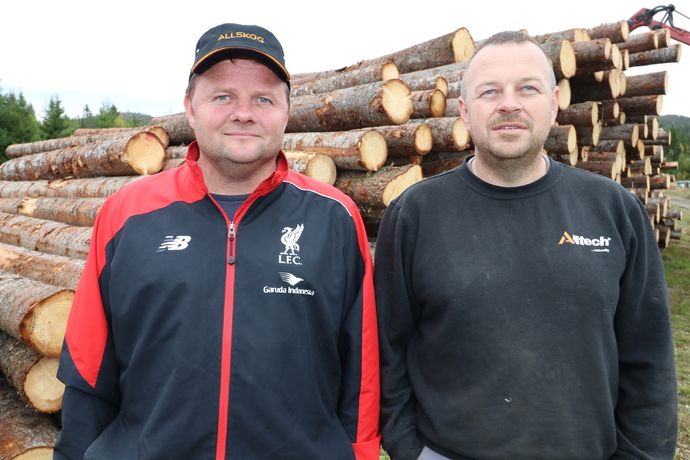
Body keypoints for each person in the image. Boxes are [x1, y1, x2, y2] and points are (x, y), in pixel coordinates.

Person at [55, 23, 380, 459]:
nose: (242, 112)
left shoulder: (334, 218)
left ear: (286, 111)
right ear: (190, 107)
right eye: (223, 96)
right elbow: (88, 365)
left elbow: (362, 371)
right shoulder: (126, 214)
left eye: (263, 99)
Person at [374, 31, 677, 460]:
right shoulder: (414, 214)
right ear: (463, 110)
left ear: (554, 103)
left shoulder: (614, 210)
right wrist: (411, 450)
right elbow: (387, 354)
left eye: (528, 89)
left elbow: (649, 360)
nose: (509, 104)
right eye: (489, 91)